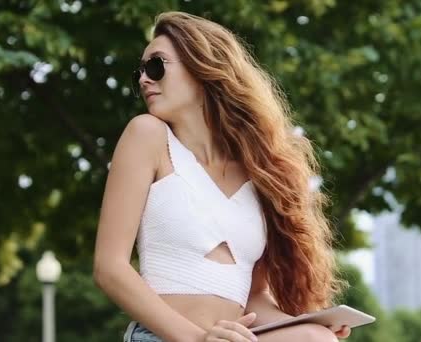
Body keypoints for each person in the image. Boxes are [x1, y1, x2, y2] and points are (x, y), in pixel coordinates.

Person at [93, 11, 351, 342]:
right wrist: (198, 340)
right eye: (140, 72)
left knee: (317, 339)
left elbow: (252, 299)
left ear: (202, 69)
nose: (144, 79)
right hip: (164, 337)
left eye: (156, 66)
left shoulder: (257, 172)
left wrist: (309, 324)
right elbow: (109, 268)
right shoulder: (147, 136)